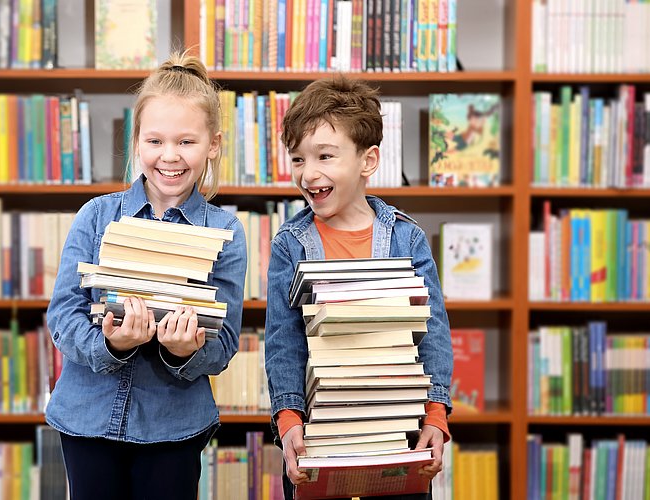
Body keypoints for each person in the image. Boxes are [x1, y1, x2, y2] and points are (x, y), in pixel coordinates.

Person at [45, 52, 247, 500]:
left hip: (173, 428)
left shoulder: (226, 231)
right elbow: (63, 316)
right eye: (155, 141)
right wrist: (111, 344)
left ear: (212, 144)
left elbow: (226, 342)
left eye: (186, 142)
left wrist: (183, 353)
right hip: (88, 420)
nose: (169, 156)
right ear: (136, 141)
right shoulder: (96, 216)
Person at [265, 75, 454, 500]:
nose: (308, 173)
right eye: (297, 159)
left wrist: (436, 416)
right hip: (319, 440)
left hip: (397, 439)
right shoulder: (289, 245)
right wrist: (289, 420)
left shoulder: (407, 239)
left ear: (368, 161)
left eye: (325, 156)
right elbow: (283, 343)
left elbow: (433, 334)